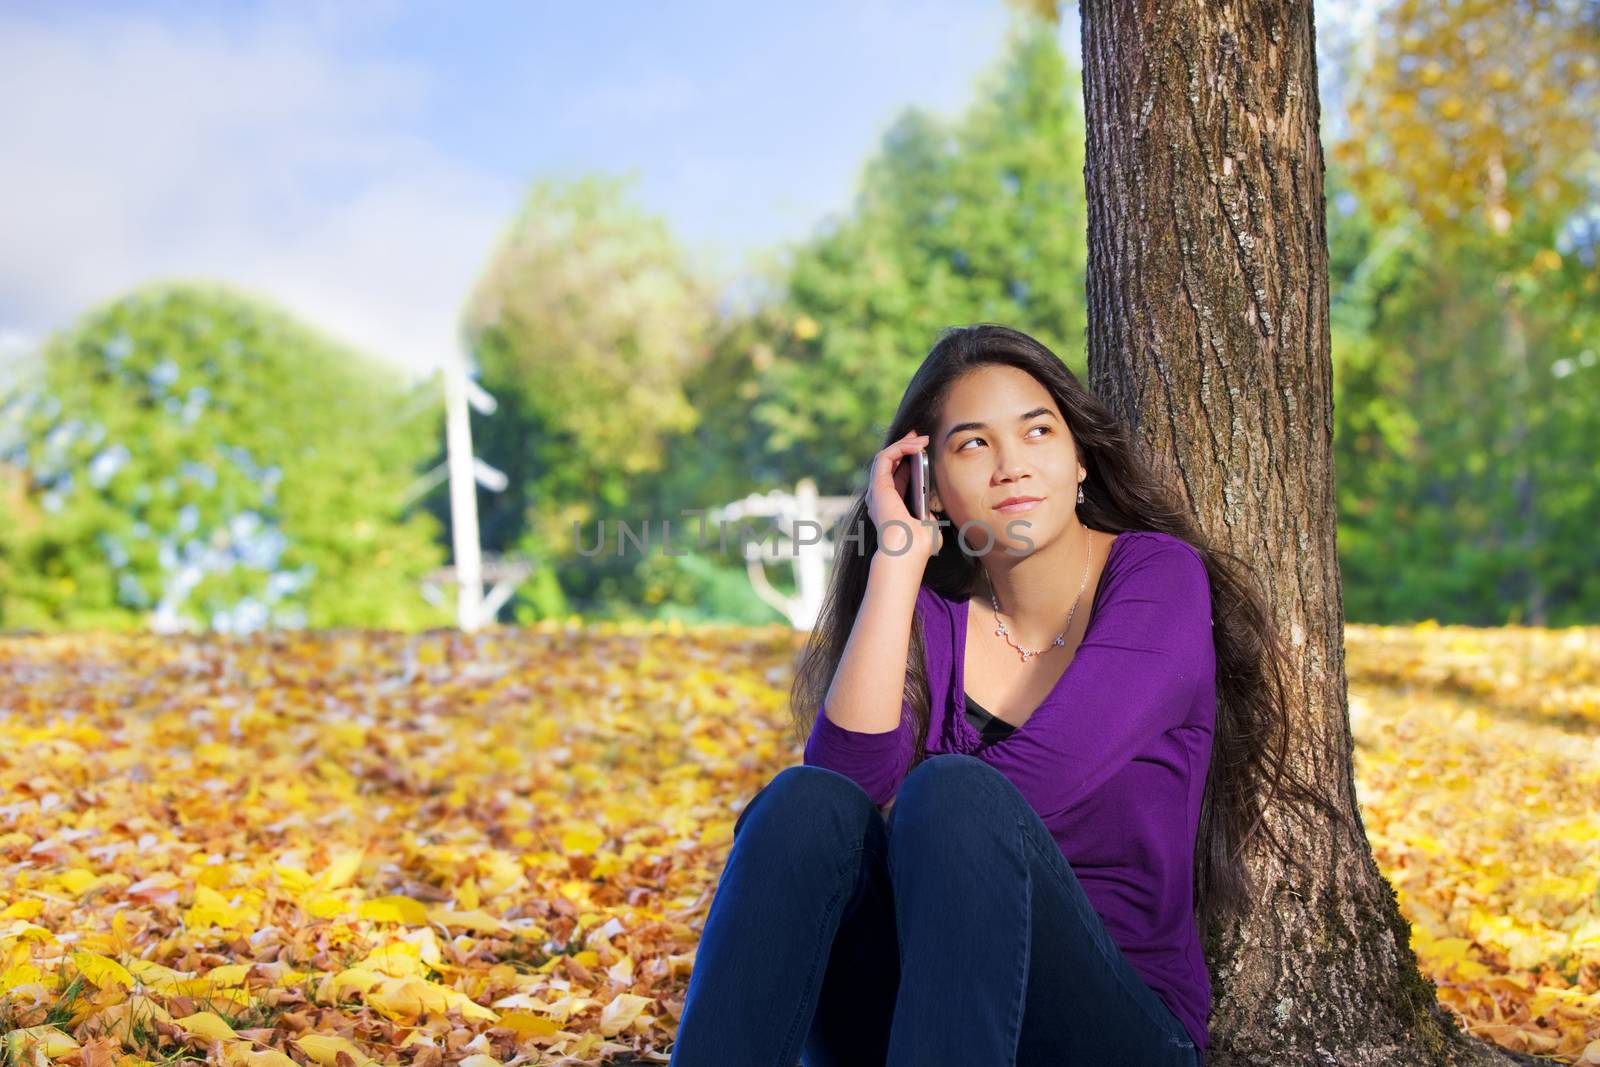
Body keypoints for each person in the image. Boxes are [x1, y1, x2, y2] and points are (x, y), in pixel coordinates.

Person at [668, 324, 1325, 1066]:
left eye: (1038, 430)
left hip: (1113, 1028)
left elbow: (1039, 781)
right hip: (926, 1014)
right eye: (973, 444)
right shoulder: (935, 616)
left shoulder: (1157, 579)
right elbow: (844, 789)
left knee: (953, 795)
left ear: (1080, 458)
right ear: (933, 488)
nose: (1012, 464)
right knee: (801, 804)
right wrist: (896, 561)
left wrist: (919, 814)